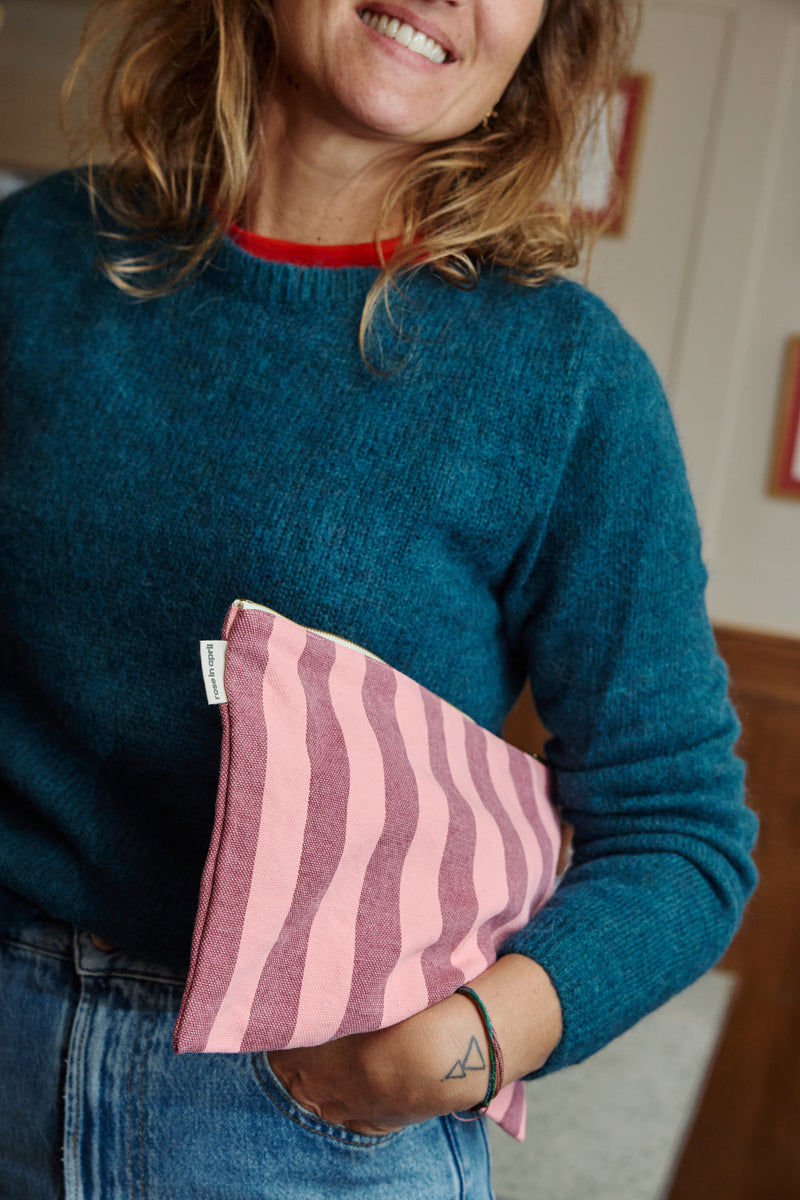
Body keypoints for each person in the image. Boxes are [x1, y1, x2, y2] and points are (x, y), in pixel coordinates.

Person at [0, 1, 758, 1197]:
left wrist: (451, 1056)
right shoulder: (34, 260)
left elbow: (680, 836)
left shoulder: (565, 381)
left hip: (303, 1117)